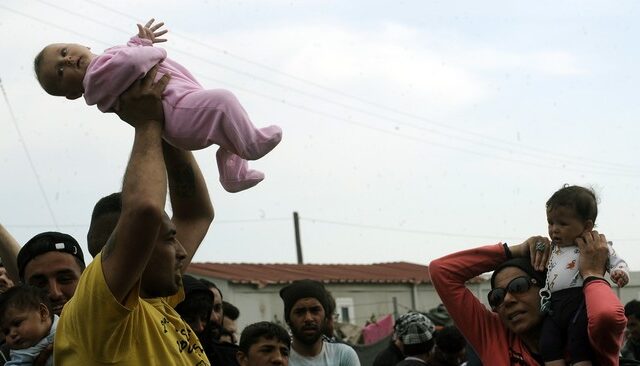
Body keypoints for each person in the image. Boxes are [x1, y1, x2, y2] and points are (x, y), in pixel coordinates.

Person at [53, 65, 215, 364]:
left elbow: (195, 214)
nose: (182, 253)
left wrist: (167, 115)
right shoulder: (98, 313)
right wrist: (147, 122)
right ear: (132, 249)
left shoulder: (155, 302)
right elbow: (144, 209)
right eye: (168, 241)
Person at [35, 18, 282, 193]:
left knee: (227, 127)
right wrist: (152, 50)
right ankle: (252, 146)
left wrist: (139, 42)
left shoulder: (107, 63)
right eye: (60, 71)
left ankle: (234, 175)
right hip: (178, 111)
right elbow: (133, 63)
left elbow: (127, 59)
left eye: (64, 51)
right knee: (223, 103)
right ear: (72, 94)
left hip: (181, 107)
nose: (67, 60)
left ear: (84, 45)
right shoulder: (96, 76)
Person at [429, 231, 626, 365]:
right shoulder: (493, 337)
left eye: (519, 286)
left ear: (546, 289)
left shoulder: (586, 335)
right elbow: (441, 271)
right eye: (496, 297)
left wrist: (592, 274)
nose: (507, 300)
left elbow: (606, 316)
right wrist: (513, 251)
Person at [538, 185, 629, 366]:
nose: (554, 229)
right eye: (550, 222)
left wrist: (619, 272)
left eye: (562, 224)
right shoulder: (553, 249)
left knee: (579, 344)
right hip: (553, 305)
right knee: (547, 343)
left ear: (586, 226)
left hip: (580, 302)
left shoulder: (594, 245)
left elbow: (616, 262)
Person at [279, 279, 360, 366]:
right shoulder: (280, 360)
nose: (308, 318)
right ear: (288, 319)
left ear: (326, 317)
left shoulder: (343, 355)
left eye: (315, 310)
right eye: (300, 312)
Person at [0, 285, 57, 366]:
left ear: (43, 313)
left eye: (17, 323)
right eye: (6, 332)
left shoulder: (65, 324)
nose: (12, 334)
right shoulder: (22, 354)